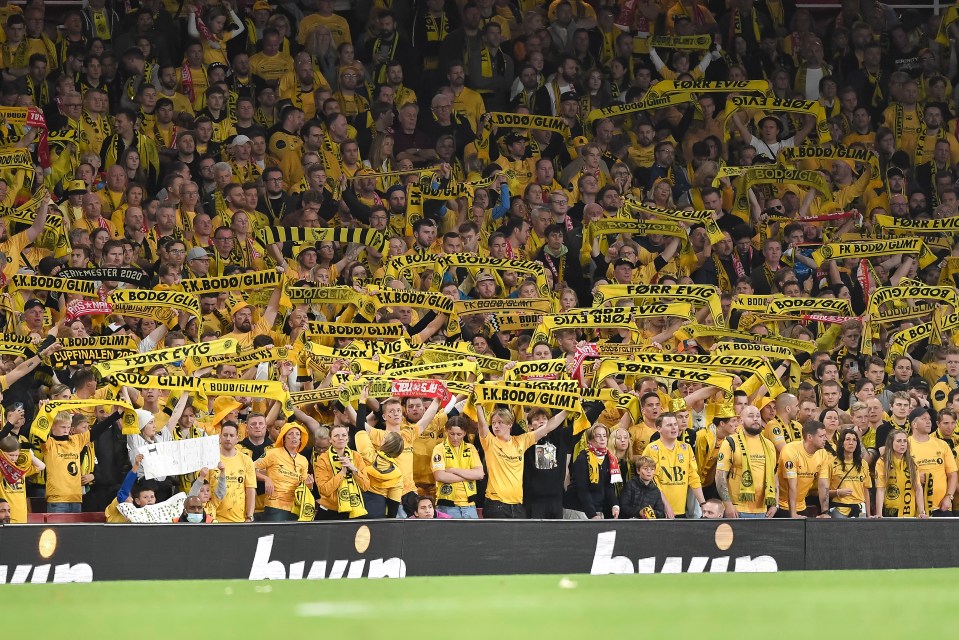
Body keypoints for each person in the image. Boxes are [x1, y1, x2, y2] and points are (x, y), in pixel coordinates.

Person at [476, 404, 566, 519]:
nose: (496, 426)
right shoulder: (490, 442)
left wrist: (567, 411)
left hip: (518, 506)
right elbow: (482, 425)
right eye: (493, 423)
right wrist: (478, 405)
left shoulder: (521, 441)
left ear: (510, 425)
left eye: (500, 422)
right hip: (496, 504)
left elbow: (548, 427)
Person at [715, 405, 778, 518]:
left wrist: (775, 504)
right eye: (750, 416)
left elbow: (774, 476)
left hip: (763, 510)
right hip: (737, 509)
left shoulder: (769, 445)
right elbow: (720, 476)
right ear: (740, 420)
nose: (755, 419)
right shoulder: (730, 442)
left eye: (758, 416)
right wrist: (728, 505)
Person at [643, 412, 705, 519]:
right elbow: (652, 480)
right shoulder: (652, 449)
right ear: (659, 428)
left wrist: (703, 504)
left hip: (680, 510)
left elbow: (693, 477)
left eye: (675, 424)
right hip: (657, 509)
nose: (674, 428)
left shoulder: (686, 448)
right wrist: (666, 505)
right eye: (669, 425)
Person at [254, 422, 312, 521]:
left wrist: (309, 486)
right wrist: (265, 478)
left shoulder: (303, 460)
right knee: (273, 535)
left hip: (295, 507)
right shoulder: (272, 453)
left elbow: (303, 486)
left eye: (297, 434)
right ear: (284, 438)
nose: (294, 437)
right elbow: (250, 469)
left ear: (300, 439)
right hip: (275, 505)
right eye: (290, 434)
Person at [563, 424, 620, 519]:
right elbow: (582, 489)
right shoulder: (582, 458)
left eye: (604, 435)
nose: (602, 438)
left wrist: (615, 505)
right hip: (578, 509)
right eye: (598, 436)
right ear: (590, 440)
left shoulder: (609, 458)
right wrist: (592, 514)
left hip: (596, 509)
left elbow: (608, 486)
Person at [431, 417, 484, 519]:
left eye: (459, 434)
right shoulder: (439, 448)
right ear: (446, 431)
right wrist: (469, 476)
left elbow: (479, 474)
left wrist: (452, 470)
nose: (455, 438)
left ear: (464, 433)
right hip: (447, 505)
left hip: (470, 505)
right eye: (452, 434)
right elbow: (439, 476)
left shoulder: (470, 448)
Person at [776, 421, 830, 518]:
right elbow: (792, 485)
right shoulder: (790, 451)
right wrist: (793, 514)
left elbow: (823, 485)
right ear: (809, 437)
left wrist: (825, 512)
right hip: (782, 505)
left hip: (801, 505)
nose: (825, 439)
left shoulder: (823, 453)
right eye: (821, 436)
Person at [821, 428, 872, 518]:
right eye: (847, 439)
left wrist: (868, 514)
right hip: (839, 508)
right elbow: (822, 491)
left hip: (859, 509)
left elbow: (866, 490)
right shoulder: (831, 463)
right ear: (841, 443)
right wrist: (837, 492)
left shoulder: (863, 464)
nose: (851, 442)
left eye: (854, 440)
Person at [875, 430, 926, 518]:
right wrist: (879, 513)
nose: (902, 444)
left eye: (905, 441)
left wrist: (922, 512)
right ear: (891, 443)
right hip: (891, 512)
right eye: (899, 441)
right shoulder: (882, 462)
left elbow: (918, 488)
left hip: (909, 511)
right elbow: (880, 489)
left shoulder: (912, 462)